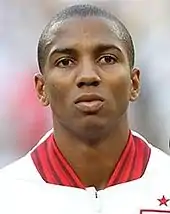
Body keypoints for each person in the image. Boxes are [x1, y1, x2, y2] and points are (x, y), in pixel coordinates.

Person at [0, 4, 170, 214]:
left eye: (107, 59)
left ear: (134, 83)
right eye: (65, 62)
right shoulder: (7, 196)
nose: (88, 75)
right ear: (41, 88)